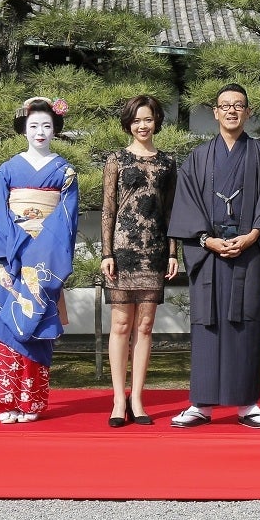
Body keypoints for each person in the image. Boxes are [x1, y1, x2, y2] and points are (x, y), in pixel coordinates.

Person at [166, 84, 260, 429]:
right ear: (215, 113)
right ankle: (201, 404)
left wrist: (251, 237)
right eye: (225, 105)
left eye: (239, 106)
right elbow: (185, 205)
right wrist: (207, 240)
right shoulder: (199, 158)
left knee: (245, 324)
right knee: (207, 323)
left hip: (249, 254)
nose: (232, 111)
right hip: (210, 255)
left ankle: (247, 404)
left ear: (248, 113)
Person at [0, 97, 79, 424]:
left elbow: (66, 218)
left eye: (46, 126)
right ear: (24, 128)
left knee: (36, 327)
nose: (40, 132)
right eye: (33, 125)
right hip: (12, 257)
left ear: (55, 130)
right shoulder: (7, 169)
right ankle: (6, 401)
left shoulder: (65, 171)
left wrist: (41, 251)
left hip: (44, 262)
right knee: (7, 328)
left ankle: (31, 401)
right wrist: (10, 252)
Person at [100, 95, 179, 427]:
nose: (142, 126)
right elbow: (107, 208)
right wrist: (106, 253)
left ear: (156, 121)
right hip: (122, 250)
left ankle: (138, 398)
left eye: (148, 119)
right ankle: (118, 399)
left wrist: (174, 252)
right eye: (136, 120)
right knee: (121, 326)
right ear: (128, 124)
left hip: (155, 251)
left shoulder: (168, 163)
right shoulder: (116, 160)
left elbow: (174, 211)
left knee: (145, 327)